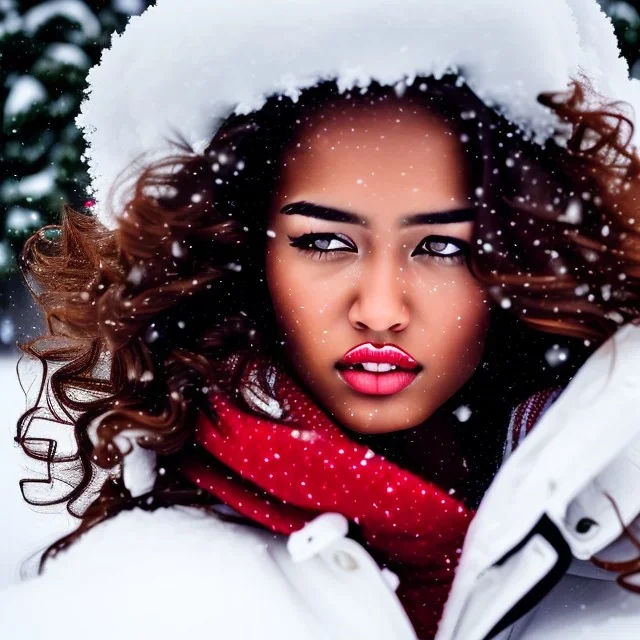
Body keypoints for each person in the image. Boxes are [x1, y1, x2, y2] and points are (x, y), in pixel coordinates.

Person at [2, 0, 640, 638]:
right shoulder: (135, 600)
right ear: (240, 252)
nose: (382, 311)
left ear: (523, 257)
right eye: (326, 242)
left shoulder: (621, 557)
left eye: (443, 247)